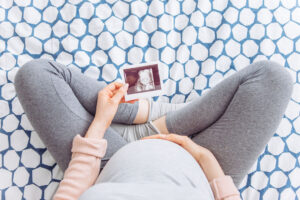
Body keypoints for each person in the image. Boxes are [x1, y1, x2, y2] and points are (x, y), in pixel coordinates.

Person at [14, 59, 293, 200]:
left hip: (105, 162)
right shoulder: (204, 159)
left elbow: (71, 193)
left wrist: (100, 124)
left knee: (36, 76)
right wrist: (201, 156)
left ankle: (138, 115)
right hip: (203, 162)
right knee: (272, 78)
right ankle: (162, 120)